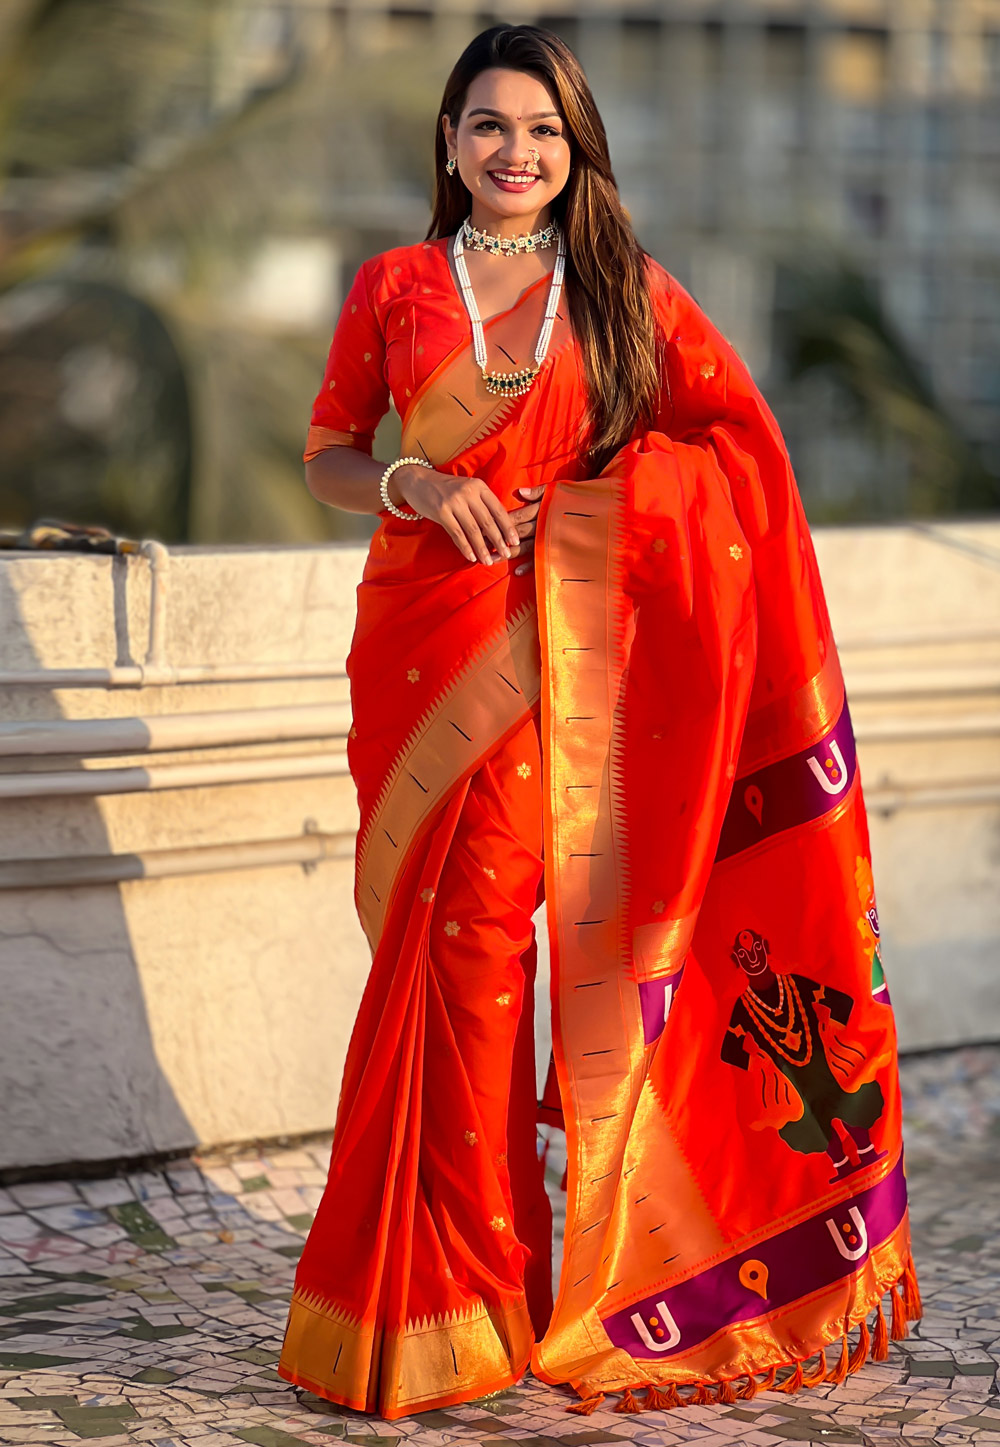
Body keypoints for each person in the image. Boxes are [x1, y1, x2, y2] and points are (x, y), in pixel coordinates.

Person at [277, 22, 920, 1423]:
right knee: (434, 976)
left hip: (556, 679)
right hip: (415, 652)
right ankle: (445, 1303)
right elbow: (329, 449)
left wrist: (594, 518)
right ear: (448, 141)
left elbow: (734, 448)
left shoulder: (624, 293)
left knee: (485, 951)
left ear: (577, 158)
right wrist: (405, 488)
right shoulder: (393, 285)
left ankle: (476, 1290)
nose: (517, 153)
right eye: (491, 125)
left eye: (545, 133)